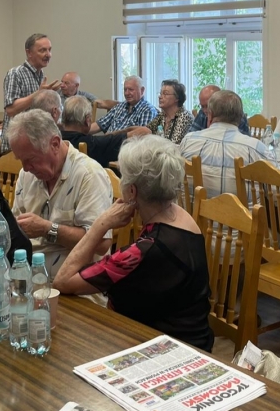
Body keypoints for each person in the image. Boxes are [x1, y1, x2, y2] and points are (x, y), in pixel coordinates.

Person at [54, 135, 214, 352]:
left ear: (132, 191)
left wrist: (100, 225)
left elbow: (62, 282)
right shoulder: (182, 217)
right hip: (197, 342)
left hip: (164, 350)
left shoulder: (144, 251)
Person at [8, 110, 112, 277]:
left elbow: (101, 243)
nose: (25, 168)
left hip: (74, 282)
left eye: (30, 159)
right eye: (20, 160)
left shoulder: (89, 175)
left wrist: (47, 229)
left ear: (55, 144)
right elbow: (16, 227)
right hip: (30, 276)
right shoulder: (27, 175)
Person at [180, 90, 269, 198]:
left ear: (210, 115)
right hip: (241, 209)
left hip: (192, 208)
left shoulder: (188, 140)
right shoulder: (256, 148)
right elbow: (279, 193)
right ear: (241, 117)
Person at [2, 33, 61, 152]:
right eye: (42, 50)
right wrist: (38, 94)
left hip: (34, 142)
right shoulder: (15, 73)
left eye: (49, 50)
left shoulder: (41, 75)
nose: (48, 54)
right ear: (29, 53)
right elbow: (11, 110)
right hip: (16, 146)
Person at [61, 96, 147, 168]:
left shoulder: (57, 140)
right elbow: (144, 131)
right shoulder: (93, 145)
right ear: (87, 121)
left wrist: (118, 132)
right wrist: (126, 130)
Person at [90, 76, 157, 134]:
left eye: (131, 90)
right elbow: (100, 124)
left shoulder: (147, 110)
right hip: (107, 142)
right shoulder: (119, 106)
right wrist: (84, 131)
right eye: (125, 90)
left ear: (142, 90)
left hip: (126, 144)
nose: (127, 93)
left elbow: (142, 137)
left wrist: (112, 137)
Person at [146, 79, 194, 145]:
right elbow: (146, 130)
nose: (160, 97)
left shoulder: (185, 117)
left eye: (165, 94)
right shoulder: (161, 116)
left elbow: (173, 144)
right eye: (160, 93)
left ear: (177, 98)